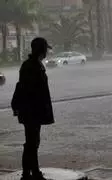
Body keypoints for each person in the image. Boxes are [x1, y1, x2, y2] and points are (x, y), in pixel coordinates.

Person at [11, 37, 54, 180]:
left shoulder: (31, 65)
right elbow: (32, 91)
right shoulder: (33, 66)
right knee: (32, 142)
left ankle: (30, 172)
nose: (47, 52)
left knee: (32, 141)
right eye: (45, 49)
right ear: (41, 50)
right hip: (31, 112)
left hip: (30, 111)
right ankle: (31, 173)